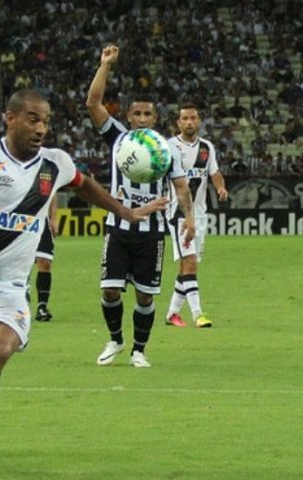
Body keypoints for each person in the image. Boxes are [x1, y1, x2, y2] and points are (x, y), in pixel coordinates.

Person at [0, 89, 167, 466]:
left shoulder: (54, 163)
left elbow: (85, 185)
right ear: (9, 119)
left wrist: (127, 212)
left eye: (45, 120)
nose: (41, 127)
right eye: (32, 119)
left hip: (7, 289)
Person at [86, 45, 195, 368]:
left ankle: (139, 350)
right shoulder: (119, 138)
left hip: (152, 232)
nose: (142, 118)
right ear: (128, 116)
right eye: (137, 114)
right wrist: (105, 64)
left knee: (145, 296)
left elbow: (180, 186)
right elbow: (92, 103)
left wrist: (189, 218)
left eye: (148, 114)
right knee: (110, 291)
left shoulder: (165, 149)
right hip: (118, 227)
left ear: (155, 119)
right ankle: (116, 339)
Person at [165, 104, 228, 328]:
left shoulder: (206, 148)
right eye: (185, 118)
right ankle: (197, 314)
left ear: (199, 121)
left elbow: (215, 173)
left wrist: (220, 188)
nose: (189, 122)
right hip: (178, 213)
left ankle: (172, 313)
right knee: (189, 262)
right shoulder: (170, 147)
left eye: (193, 118)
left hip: (201, 214)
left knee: (188, 267)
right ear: (178, 123)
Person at [33, 203, 57, 321]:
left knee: (44, 262)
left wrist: (53, 217)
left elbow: (53, 191)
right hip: (17, 219)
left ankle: (42, 307)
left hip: (41, 219)